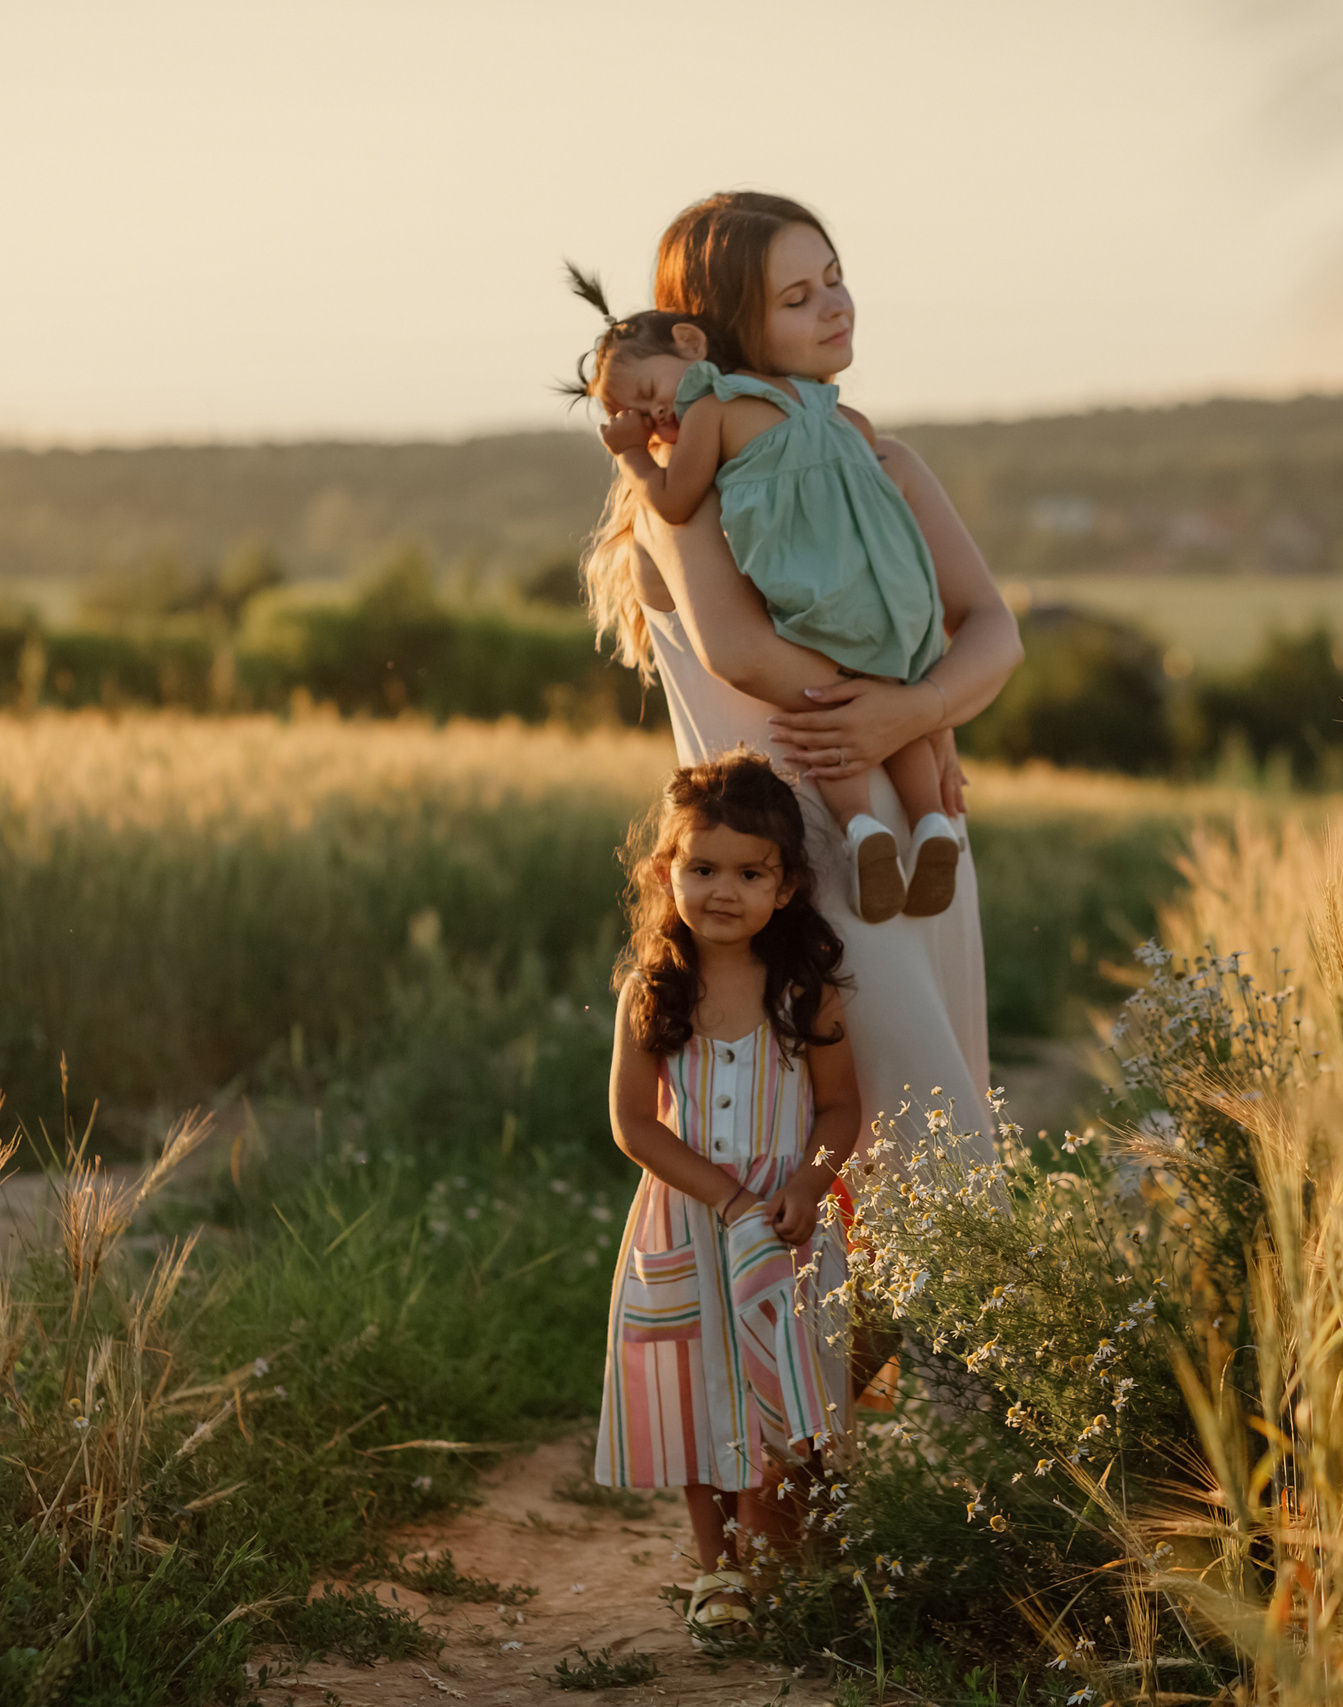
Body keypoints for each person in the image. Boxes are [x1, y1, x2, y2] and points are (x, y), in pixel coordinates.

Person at [575, 191, 1023, 1190]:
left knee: (935, 1163)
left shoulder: (880, 459)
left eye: (834, 279)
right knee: (849, 1163)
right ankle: (804, 1353)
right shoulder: (684, 488)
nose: (835, 305)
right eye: (796, 295)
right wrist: (909, 707)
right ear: (727, 326)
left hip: (910, 849)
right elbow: (739, 649)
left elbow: (995, 629)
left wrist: (924, 710)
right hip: (787, 873)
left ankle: (919, 1355)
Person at [566, 271, 956, 922]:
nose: (649, 417)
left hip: (813, 596)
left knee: (833, 718)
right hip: (886, 592)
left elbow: (676, 498)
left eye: (647, 395)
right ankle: (934, 826)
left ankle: (860, 826)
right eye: (628, 416)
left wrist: (636, 457)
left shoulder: (712, 412)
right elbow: (859, 447)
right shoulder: (805, 401)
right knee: (890, 702)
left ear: (692, 343)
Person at [594, 752, 859, 1635]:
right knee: (699, 1390)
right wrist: (726, 1197)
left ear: (784, 888)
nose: (723, 890)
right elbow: (635, 1124)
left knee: (780, 1386)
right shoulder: (653, 990)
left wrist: (808, 1180)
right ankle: (716, 1572)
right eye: (702, 868)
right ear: (666, 872)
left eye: (750, 873)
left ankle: (778, 1546)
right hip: (688, 1222)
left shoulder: (804, 987)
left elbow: (839, 1104)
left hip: (783, 1227)